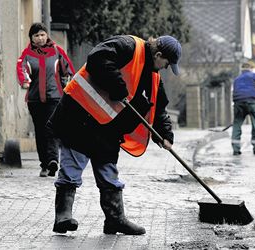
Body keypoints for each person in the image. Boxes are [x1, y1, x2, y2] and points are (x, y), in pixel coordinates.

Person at [46, 35, 180, 235]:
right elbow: (97, 58)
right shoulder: (128, 46)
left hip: (107, 129)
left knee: (109, 173)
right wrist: (117, 86)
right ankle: (63, 217)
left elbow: (159, 108)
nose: (165, 68)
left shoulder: (154, 77)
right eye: (166, 64)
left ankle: (115, 219)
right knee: (71, 167)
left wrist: (165, 134)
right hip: (79, 116)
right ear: (159, 54)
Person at [16, 23, 75, 177]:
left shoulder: (56, 51)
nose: (40, 38)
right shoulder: (27, 54)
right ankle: (44, 164)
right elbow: (21, 69)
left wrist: (68, 80)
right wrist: (24, 81)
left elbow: (68, 68)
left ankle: (53, 161)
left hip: (55, 97)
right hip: (35, 100)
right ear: (32, 38)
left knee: (52, 128)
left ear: (47, 35)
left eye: (42, 34)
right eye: (36, 35)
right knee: (40, 131)